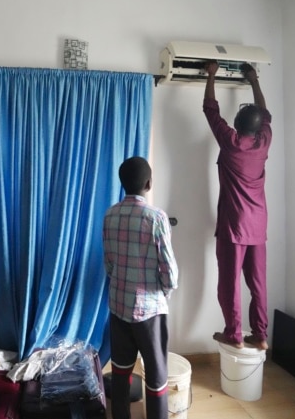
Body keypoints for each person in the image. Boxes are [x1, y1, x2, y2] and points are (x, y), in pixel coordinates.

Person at [103, 156, 179, 419]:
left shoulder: (109, 215)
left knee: (121, 372)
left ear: (122, 183)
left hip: (118, 306)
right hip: (150, 311)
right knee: (157, 376)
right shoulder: (156, 217)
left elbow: (109, 263)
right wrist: (164, 293)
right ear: (148, 183)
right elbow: (169, 273)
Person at [203, 61, 272, 351]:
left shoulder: (230, 142)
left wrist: (211, 74)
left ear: (238, 124)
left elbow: (210, 110)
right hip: (258, 224)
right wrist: (254, 80)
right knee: (258, 283)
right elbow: (265, 112)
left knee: (229, 283)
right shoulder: (264, 141)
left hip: (234, 225)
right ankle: (261, 334)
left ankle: (234, 333)